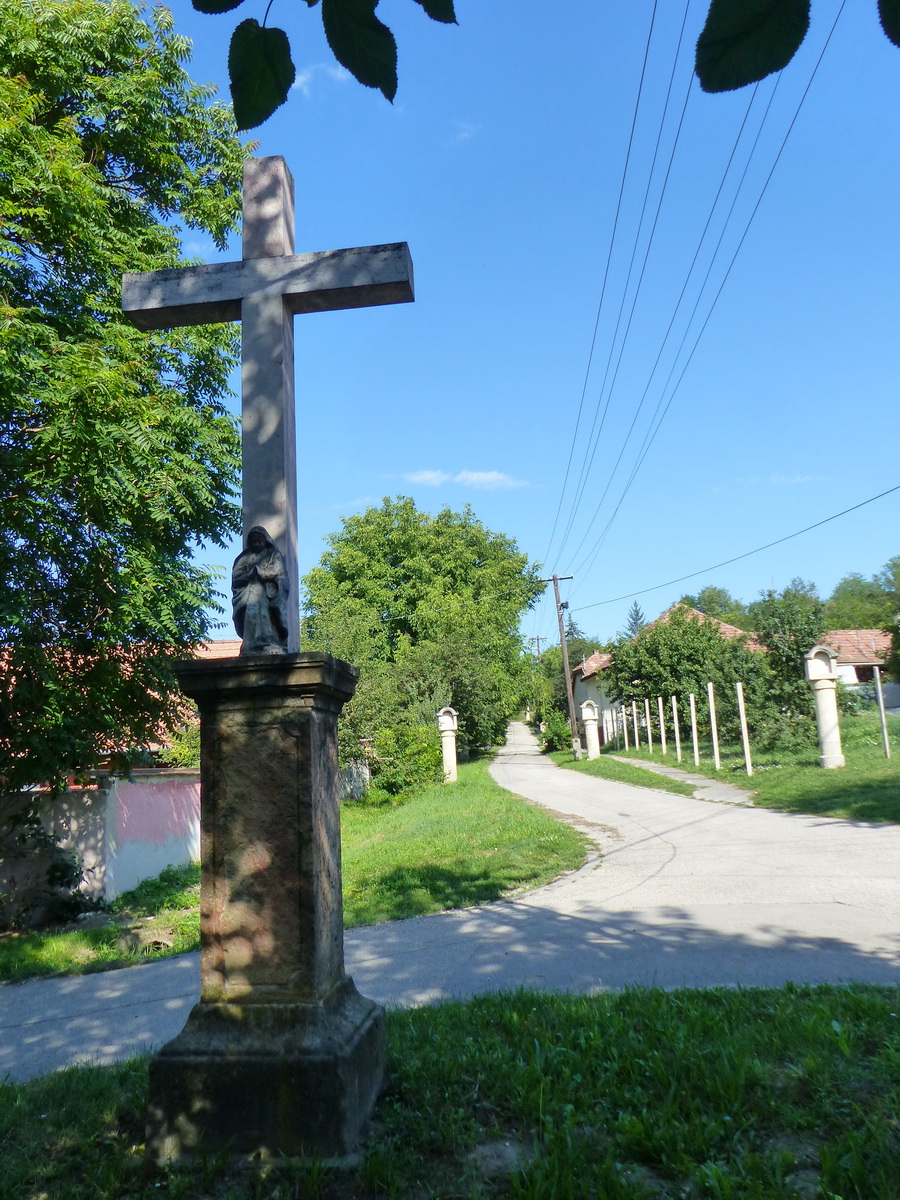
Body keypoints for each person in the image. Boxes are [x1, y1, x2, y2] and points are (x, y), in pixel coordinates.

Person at [231, 526, 290, 654]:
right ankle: (250, 644)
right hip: (249, 594)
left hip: (268, 593)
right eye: (253, 541)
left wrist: (260, 572)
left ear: (265, 541)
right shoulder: (245, 557)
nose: (256, 544)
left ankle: (270, 642)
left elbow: (279, 573)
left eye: (259, 541)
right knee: (251, 614)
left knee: (265, 617)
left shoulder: (273, 554)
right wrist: (249, 575)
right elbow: (236, 576)